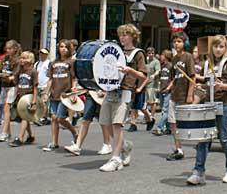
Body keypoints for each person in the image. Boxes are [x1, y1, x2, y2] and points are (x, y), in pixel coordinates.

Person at [187, 34, 227, 185]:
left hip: (223, 104)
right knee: (203, 139)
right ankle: (198, 172)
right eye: (216, 46)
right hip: (208, 104)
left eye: (221, 46)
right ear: (211, 47)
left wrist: (224, 86)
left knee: (224, 138)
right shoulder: (206, 63)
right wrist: (199, 87)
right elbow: (206, 83)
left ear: (225, 48)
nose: (218, 49)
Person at [98, 24, 144, 171]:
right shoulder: (116, 52)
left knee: (117, 124)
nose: (122, 37)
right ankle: (124, 146)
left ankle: (116, 158)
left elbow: (143, 76)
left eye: (125, 34)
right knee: (105, 122)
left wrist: (130, 70)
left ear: (132, 37)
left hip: (126, 91)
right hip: (111, 90)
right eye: (121, 34)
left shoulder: (137, 54)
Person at [42, 40, 78, 152]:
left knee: (60, 118)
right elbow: (50, 79)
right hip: (54, 93)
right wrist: (46, 93)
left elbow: (74, 78)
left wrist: (74, 91)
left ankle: (74, 132)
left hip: (65, 94)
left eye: (65, 47)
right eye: (61, 46)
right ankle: (54, 142)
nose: (63, 49)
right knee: (53, 118)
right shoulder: (53, 63)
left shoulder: (71, 62)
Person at [166, 32, 194, 161]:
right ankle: (179, 149)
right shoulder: (174, 59)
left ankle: (199, 145)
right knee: (173, 123)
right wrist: (169, 87)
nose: (177, 44)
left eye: (179, 41)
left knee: (187, 123)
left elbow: (192, 77)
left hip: (184, 95)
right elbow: (173, 77)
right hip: (174, 94)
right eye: (175, 41)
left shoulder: (188, 57)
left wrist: (189, 95)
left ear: (185, 43)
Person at [64, 90, 110, 155]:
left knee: (103, 121)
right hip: (90, 95)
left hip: (101, 95)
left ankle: (107, 145)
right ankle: (77, 146)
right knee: (85, 120)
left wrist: (104, 91)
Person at [9, 51, 39, 147]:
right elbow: (16, 83)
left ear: (30, 60)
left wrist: (34, 101)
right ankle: (30, 136)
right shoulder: (20, 71)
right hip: (20, 97)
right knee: (24, 117)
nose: (22, 60)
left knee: (25, 117)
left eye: (24, 58)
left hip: (29, 96)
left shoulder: (33, 71)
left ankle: (20, 138)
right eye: (21, 58)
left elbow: (35, 87)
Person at [0, 40, 22, 142]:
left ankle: (4, 132)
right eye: (6, 48)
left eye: (10, 49)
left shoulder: (17, 60)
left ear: (15, 49)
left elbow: (15, 75)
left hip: (12, 86)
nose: (7, 50)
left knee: (7, 108)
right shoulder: (5, 58)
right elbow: (0, 70)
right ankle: (8, 133)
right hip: (4, 85)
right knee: (4, 108)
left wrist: (8, 77)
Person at [152, 50, 174, 136]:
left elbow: (173, 79)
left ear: (166, 56)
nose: (161, 56)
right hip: (161, 90)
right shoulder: (162, 65)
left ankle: (159, 128)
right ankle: (168, 129)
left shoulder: (170, 66)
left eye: (162, 55)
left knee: (165, 110)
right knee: (164, 110)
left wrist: (169, 88)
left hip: (168, 91)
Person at [35, 48, 52, 125]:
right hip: (38, 86)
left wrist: (48, 88)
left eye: (44, 54)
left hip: (45, 85)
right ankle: (39, 116)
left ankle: (43, 117)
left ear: (47, 55)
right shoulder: (37, 63)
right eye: (41, 53)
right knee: (38, 103)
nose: (42, 55)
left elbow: (50, 76)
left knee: (44, 102)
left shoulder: (49, 63)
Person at [144, 47, 161, 124]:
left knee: (152, 101)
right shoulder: (145, 61)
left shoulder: (156, 61)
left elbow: (158, 70)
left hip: (152, 83)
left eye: (152, 53)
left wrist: (154, 75)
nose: (151, 54)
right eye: (149, 53)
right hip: (144, 83)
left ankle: (152, 116)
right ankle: (146, 117)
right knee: (145, 102)